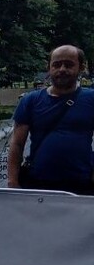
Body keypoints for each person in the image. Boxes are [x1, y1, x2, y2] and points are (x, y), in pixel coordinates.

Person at [8, 44, 94, 195]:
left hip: (83, 186)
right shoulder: (30, 101)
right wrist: (13, 182)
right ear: (49, 68)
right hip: (38, 184)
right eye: (56, 64)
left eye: (68, 64)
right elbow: (17, 144)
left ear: (81, 67)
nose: (62, 69)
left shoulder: (91, 99)